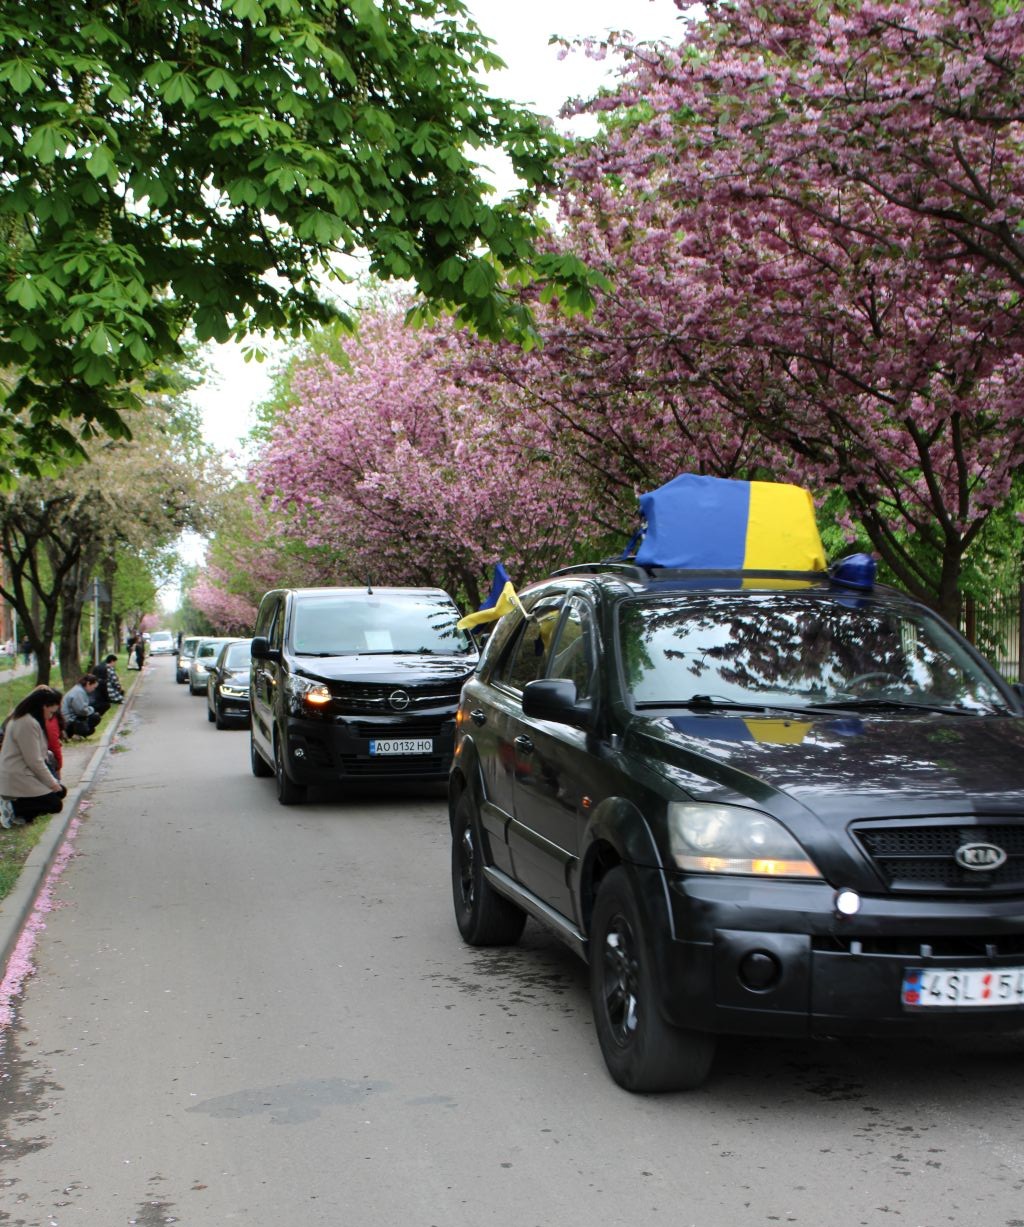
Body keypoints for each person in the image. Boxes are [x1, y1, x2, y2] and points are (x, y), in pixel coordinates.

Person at [0, 686, 67, 828]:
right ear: (43, 706)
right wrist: (52, 783)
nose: (51, 717)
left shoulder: (26, 719)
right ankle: (13, 807)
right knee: (55, 804)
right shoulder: (27, 723)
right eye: (51, 712)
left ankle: (20, 806)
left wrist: (53, 784)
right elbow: (35, 761)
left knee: (61, 792)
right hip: (18, 776)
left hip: (23, 774)